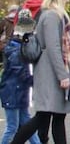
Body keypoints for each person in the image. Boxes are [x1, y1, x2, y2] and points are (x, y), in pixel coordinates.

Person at [11, 0, 70, 144]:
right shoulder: (51, 16)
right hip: (50, 72)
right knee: (44, 116)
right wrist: (63, 75)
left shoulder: (33, 11)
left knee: (55, 116)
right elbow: (53, 47)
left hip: (45, 68)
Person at [1, 9, 42, 144]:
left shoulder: (14, 48)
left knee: (26, 124)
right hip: (14, 93)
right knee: (12, 126)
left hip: (18, 92)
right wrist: (34, 81)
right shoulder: (17, 51)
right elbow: (21, 72)